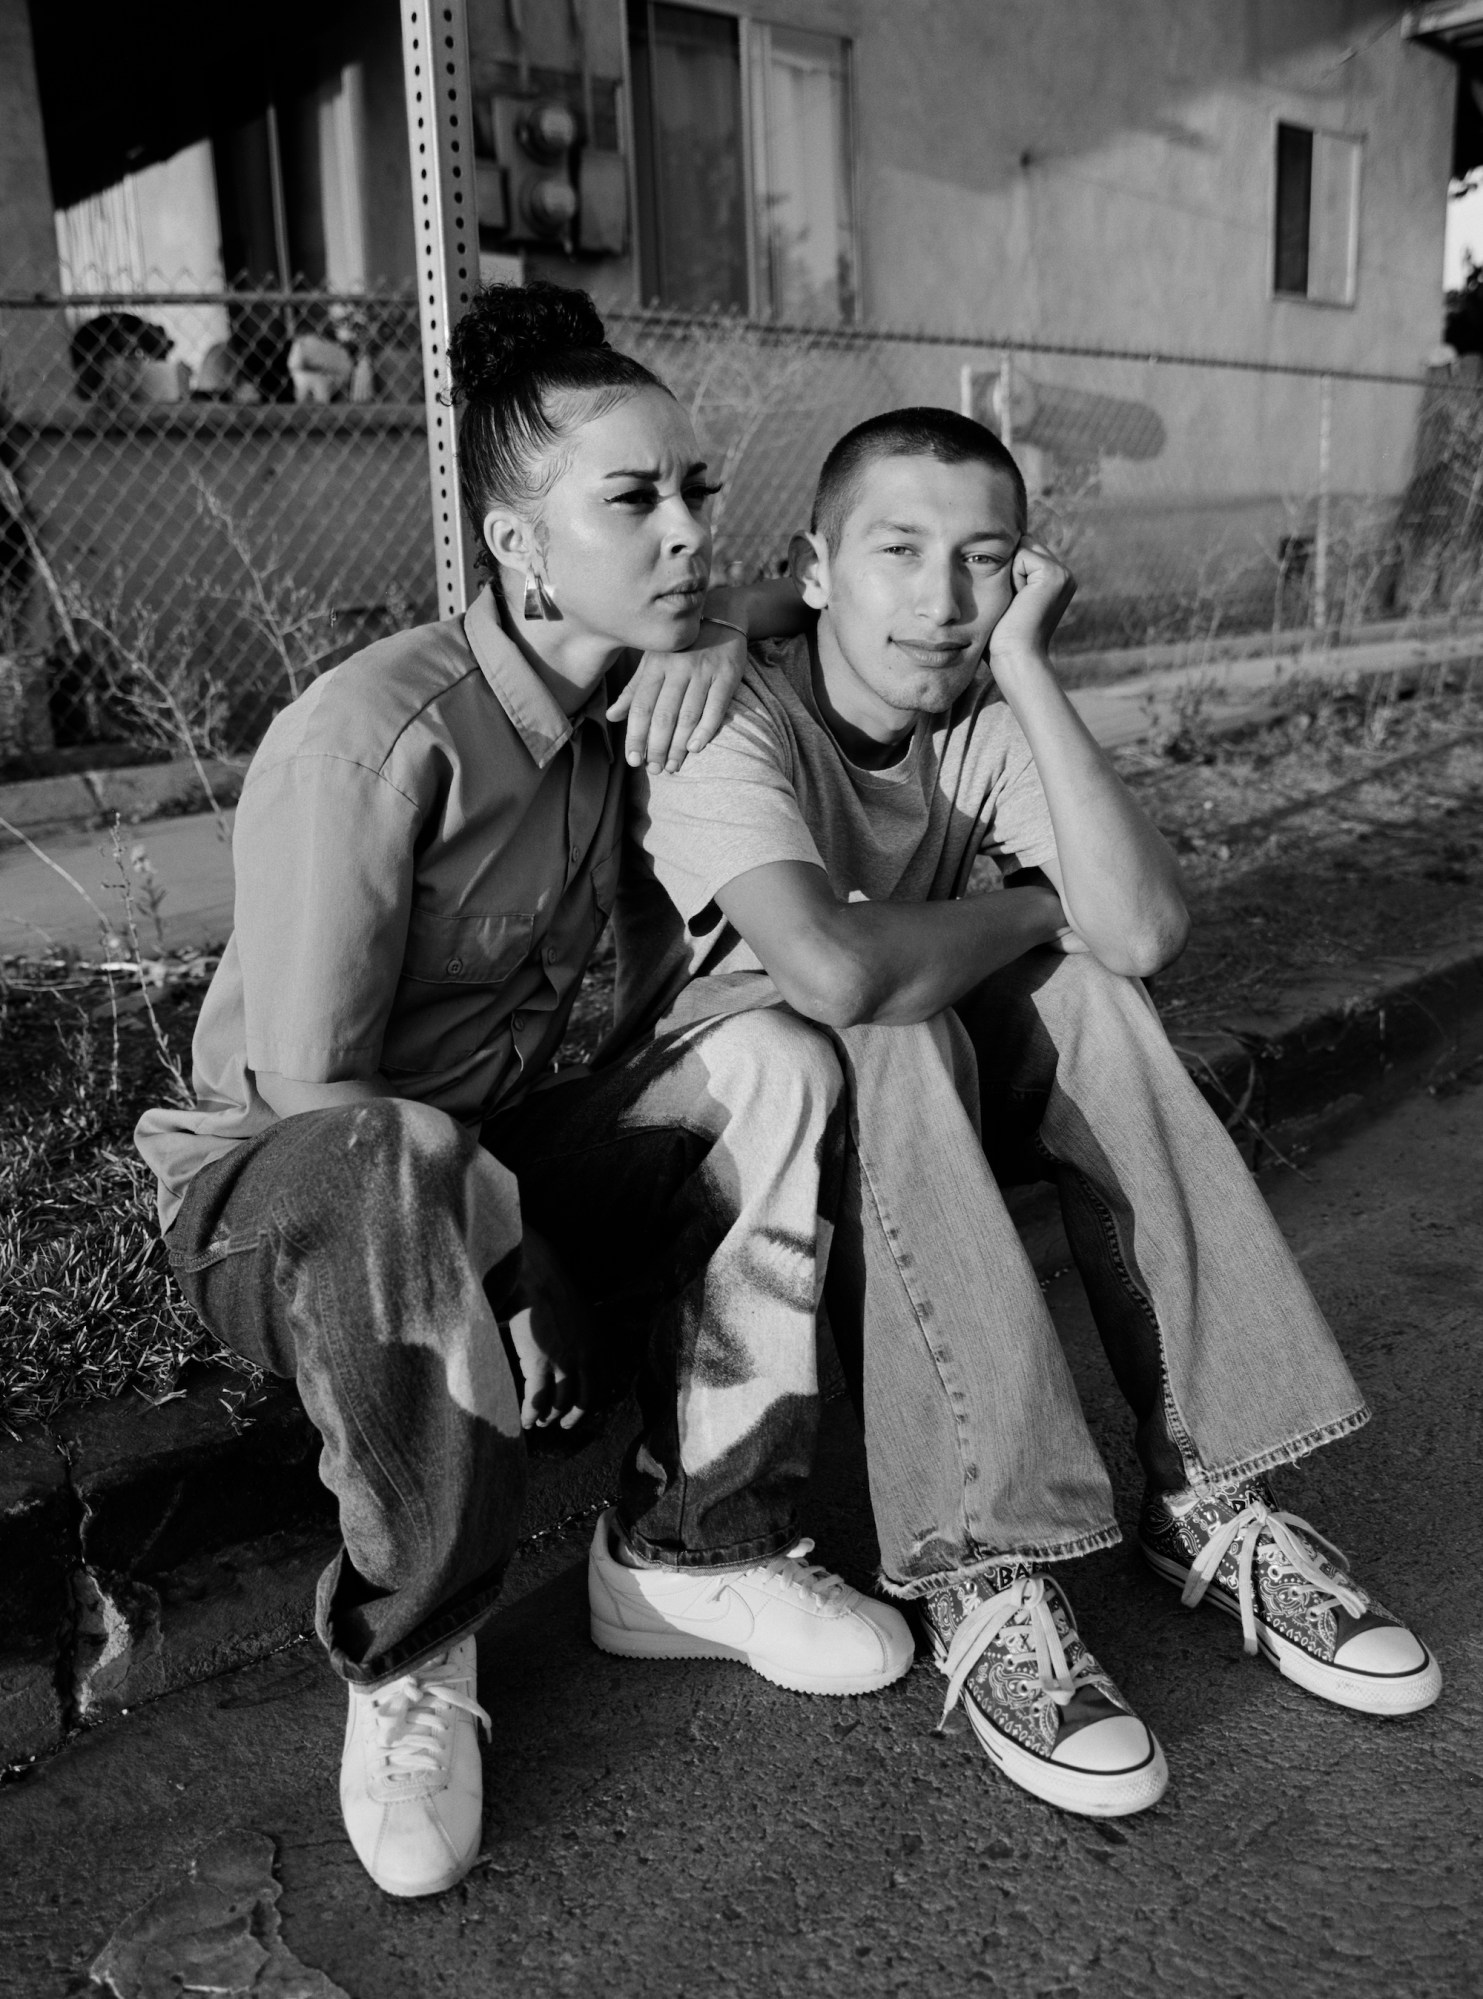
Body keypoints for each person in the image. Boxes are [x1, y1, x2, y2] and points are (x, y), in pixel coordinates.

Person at [135, 284, 913, 1902]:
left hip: (474, 1154)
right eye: (631, 501)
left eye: (696, 489)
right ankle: (416, 1655)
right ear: (513, 543)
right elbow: (311, 1091)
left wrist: (719, 634)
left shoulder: (619, 688)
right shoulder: (371, 738)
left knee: (773, 1056)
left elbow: (779, 601)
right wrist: (518, 1263)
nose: (688, 530)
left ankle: (695, 1551)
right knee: (395, 1155)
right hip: (284, 1198)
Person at [607, 406, 1442, 1821]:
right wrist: (1023, 908)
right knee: (899, 1023)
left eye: (981, 560)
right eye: (897, 551)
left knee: (1096, 1007)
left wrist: (1026, 672)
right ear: (816, 566)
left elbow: (1144, 931)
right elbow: (837, 970)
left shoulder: (981, 716)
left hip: (905, 1104)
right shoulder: (723, 704)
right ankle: (984, 1567)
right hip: (719, 1145)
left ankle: (1213, 1497)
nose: (938, 598)